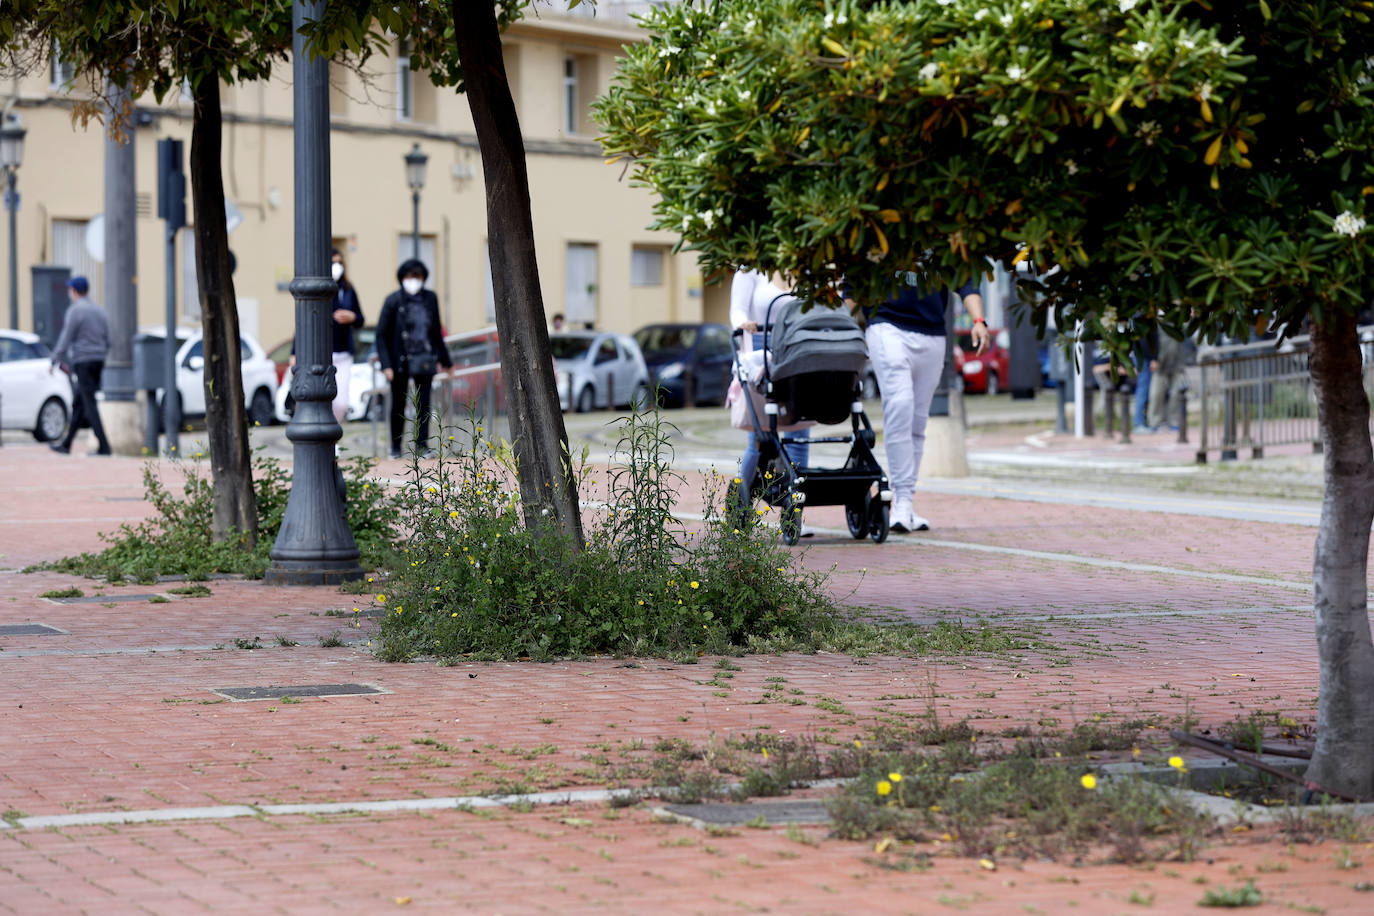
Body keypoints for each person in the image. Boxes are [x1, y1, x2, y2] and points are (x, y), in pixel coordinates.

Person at [862, 271, 988, 532]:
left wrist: (978, 320)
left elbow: (964, 278)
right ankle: (901, 504)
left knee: (918, 422)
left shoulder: (940, 234)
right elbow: (854, 282)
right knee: (900, 405)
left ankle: (906, 500)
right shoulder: (878, 233)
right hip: (886, 324)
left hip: (931, 332)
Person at [729, 268, 811, 530]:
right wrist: (743, 324)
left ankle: (794, 509)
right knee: (760, 437)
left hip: (798, 352)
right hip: (761, 353)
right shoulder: (750, 269)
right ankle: (742, 506)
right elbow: (737, 310)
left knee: (799, 433)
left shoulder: (805, 265)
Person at [375, 259, 452, 459]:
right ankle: (395, 446)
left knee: (424, 404)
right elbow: (381, 334)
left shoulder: (430, 299)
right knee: (398, 405)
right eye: (409, 277)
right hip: (399, 361)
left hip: (425, 358)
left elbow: (436, 331)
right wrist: (386, 365)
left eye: (417, 277)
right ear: (402, 278)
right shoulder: (393, 300)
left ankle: (421, 445)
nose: (413, 281)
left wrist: (446, 361)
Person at [290, 249, 365, 425]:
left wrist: (352, 317)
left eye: (339, 262)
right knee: (320, 399)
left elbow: (360, 319)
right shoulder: (316, 289)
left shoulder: (348, 289)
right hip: (320, 353)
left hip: (343, 353)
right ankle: (325, 436)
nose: (337, 266)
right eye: (332, 262)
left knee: (341, 402)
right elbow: (303, 322)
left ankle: (333, 434)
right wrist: (294, 352)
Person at [47, 276, 112, 456]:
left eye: (70, 290)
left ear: (74, 291)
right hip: (98, 362)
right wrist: (100, 354)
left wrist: (55, 359)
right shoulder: (100, 311)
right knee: (80, 403)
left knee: (89, 403)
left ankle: (105, 446)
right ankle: (66, 444)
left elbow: (65, 338)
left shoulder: (75, 311)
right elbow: (109, 340)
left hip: (82, 362)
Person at [1148, 331, 1188, 431]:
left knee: (1176, 395)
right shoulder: (1156, 322)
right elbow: (1151, 341)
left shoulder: (1178, 322)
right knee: (1156, 394)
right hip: (1160, 363)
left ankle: (1174, 421)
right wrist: (1153, 358)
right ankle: (1154, 422)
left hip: (1177, 363)